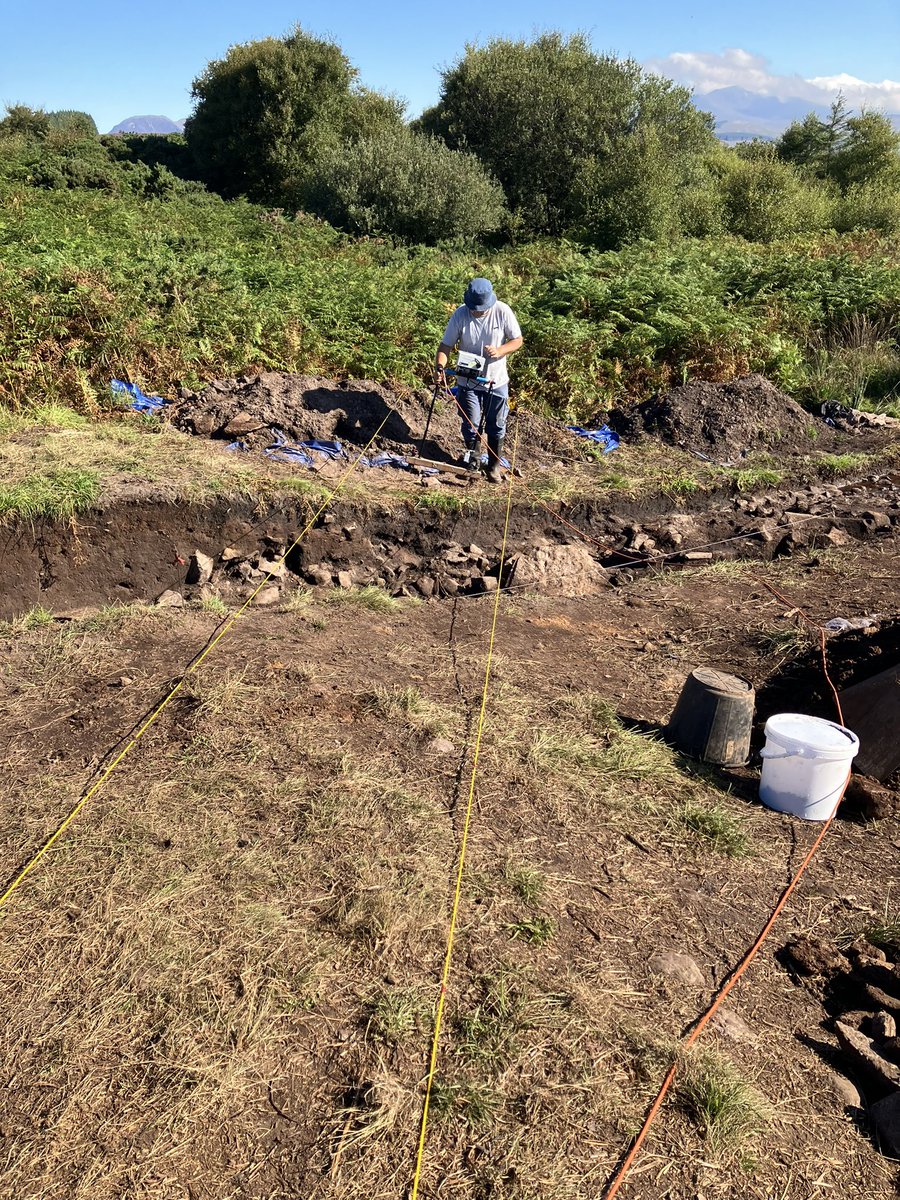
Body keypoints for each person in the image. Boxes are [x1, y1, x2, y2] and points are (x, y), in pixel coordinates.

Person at [434, 277, 523, 483]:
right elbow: (445, 346)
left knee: (496, 424)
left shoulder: (502, 311)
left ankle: (493, 466)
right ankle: (473, 460)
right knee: (471, 422)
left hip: (496, 380)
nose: (477, 311)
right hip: (467, 380)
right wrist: (440, 367)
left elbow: (517, 340)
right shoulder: (460, 314)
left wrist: (500, 350)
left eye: (481, 308)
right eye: (474, 308)